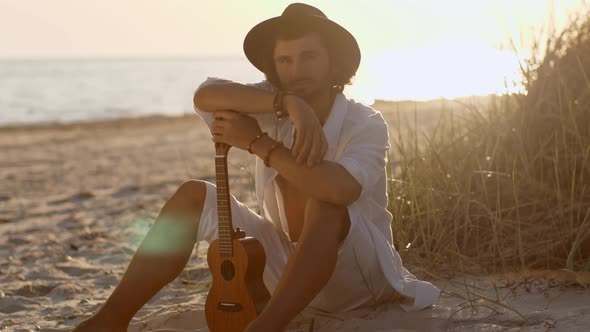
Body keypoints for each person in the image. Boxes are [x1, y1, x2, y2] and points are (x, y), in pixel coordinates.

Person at [74, 3, 439, 331]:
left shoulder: (365, 122)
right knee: (192, 196)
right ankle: (110, 321)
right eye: (286, 60)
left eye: (309, 56)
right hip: (290, 271)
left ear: (333, 63)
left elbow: (340, 190)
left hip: (358, 279)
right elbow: (206, 94)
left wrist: (258, 143)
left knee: (325, 203)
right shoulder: (271, 104)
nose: (297, 70)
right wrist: (288, 103)